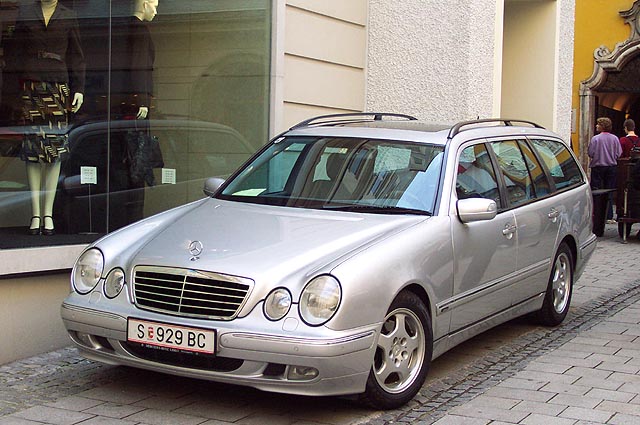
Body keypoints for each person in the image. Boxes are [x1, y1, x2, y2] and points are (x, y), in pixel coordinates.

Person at [13, 0, 86, 235]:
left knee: (53, 152)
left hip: (57, 86)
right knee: (33, 152)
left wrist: (79, 89)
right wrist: (11, 93)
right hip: (32, 86)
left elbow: (77, 55)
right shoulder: (26, 13)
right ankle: (35, 213)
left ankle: (48, 213)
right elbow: (16, 51)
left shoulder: (68, 15)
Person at [107, 0, 158, 230]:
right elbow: (140, 66)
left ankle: (131, 216)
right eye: (154, 5)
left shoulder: (128, 30)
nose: (156, 10)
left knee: (131, 161)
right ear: (144, 5)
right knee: (136, 161)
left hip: (130, 105)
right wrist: (143, 99)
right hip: (135, 108)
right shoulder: (138, 31)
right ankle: (134, 218)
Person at [588, 117, 622, 223]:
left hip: (598, 167)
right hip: (611, 168)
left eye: (598, 124)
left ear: (602, 126)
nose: (596, 126)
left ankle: (596, 215)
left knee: (596, 191)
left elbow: (590, 153)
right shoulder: (615, 139)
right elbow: (618, 153)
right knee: (609, 191)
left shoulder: (595, 139)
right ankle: (609, 215)